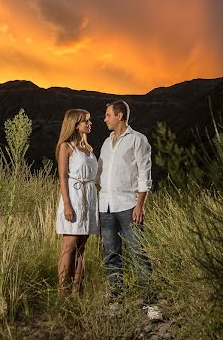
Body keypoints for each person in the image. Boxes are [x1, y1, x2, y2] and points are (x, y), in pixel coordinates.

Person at [96, 100, 162, 320]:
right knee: (111, 254)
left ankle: (150, 303)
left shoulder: (138, 140)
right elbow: (100, 172)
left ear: (120, 116)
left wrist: (140, 204)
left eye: (107, 115)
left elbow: (145, 174)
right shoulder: (106, 143)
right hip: (106, 206)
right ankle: (116, 298)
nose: (104, 119)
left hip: (128, 206)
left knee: (139, 253)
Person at [56, 108, 99, 295]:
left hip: (89, 196)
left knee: (82, 244)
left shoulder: (89, 149)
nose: (90, 124)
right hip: (73, 196)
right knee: (70, 244)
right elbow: (63, 177)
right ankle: (63, 291)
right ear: (75, 125)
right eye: (86, 121)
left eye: (89, 121)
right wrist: (67, 204)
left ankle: (77, 290)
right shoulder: (66, 147)